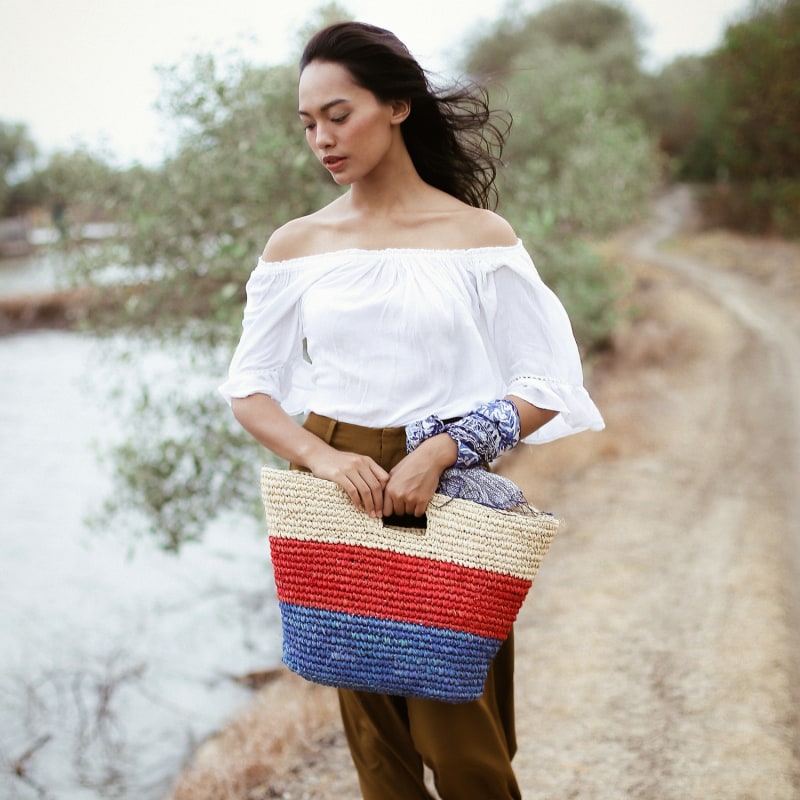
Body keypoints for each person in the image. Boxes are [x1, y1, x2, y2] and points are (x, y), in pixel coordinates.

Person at [219, 20, 604, 800]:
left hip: (445, 483)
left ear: (396, 107)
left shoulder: (476, 237)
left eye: (339, 114)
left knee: (465, 749)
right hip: (340, 485)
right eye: (308, 124)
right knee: (381, 756)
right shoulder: (296, 245)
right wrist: (325, 459)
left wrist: (445, 450)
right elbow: (248, 388)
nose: (322, 139)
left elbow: (549, 381)